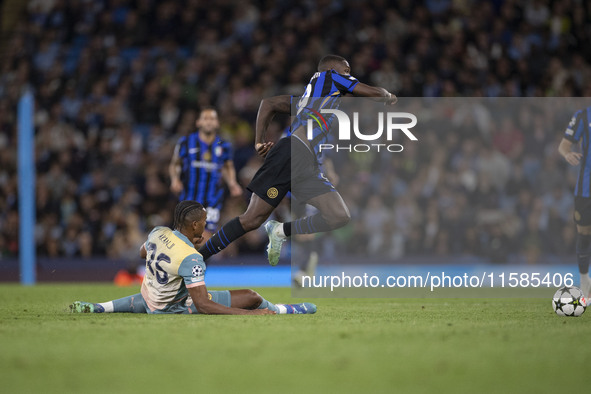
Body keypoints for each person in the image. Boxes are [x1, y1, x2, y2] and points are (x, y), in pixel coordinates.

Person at [199, 54, 397, 265]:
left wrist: (259, 142)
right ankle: (200, 257)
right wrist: (388, 95)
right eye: (346, 71)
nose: (350, 76)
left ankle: (280, 231)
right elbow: (375, 92)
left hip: (306, 163)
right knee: (251, 219)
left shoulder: (308, 100)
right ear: (332, 69)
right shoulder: (330, 77)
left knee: (338, 215)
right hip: (292, 152)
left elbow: (269, 103)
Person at [70, 200, 316, 315]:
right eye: (204, 223)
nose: (206, 227)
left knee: (142, 299)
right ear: (196, 225)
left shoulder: (158, 232)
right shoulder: (192, 258)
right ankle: (286, 310)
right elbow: (203, 305)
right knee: (251, 297)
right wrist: (252, 315)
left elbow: (143, 253)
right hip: (171, 308)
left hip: (148, 298)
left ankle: (97, 307)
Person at [169, 108, 242, 242]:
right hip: (189, 197)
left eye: (212, 118)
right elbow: (175, 163)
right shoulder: (185, 142)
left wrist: (232, 183)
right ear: (198, 122)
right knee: (187, 236)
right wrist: (175, 179)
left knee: (205, 237)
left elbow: (227, 166)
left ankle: (199, 262)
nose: (209, 122)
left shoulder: (223, 145)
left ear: (217, 123)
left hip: (212, 199)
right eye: (205, 118)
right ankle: (190, 262)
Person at [558, 106, 591, 298]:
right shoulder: (582, 116)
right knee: (584, 232)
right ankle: (584, 280)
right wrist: (567, 154)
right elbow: (563, 145)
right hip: (586, 187)